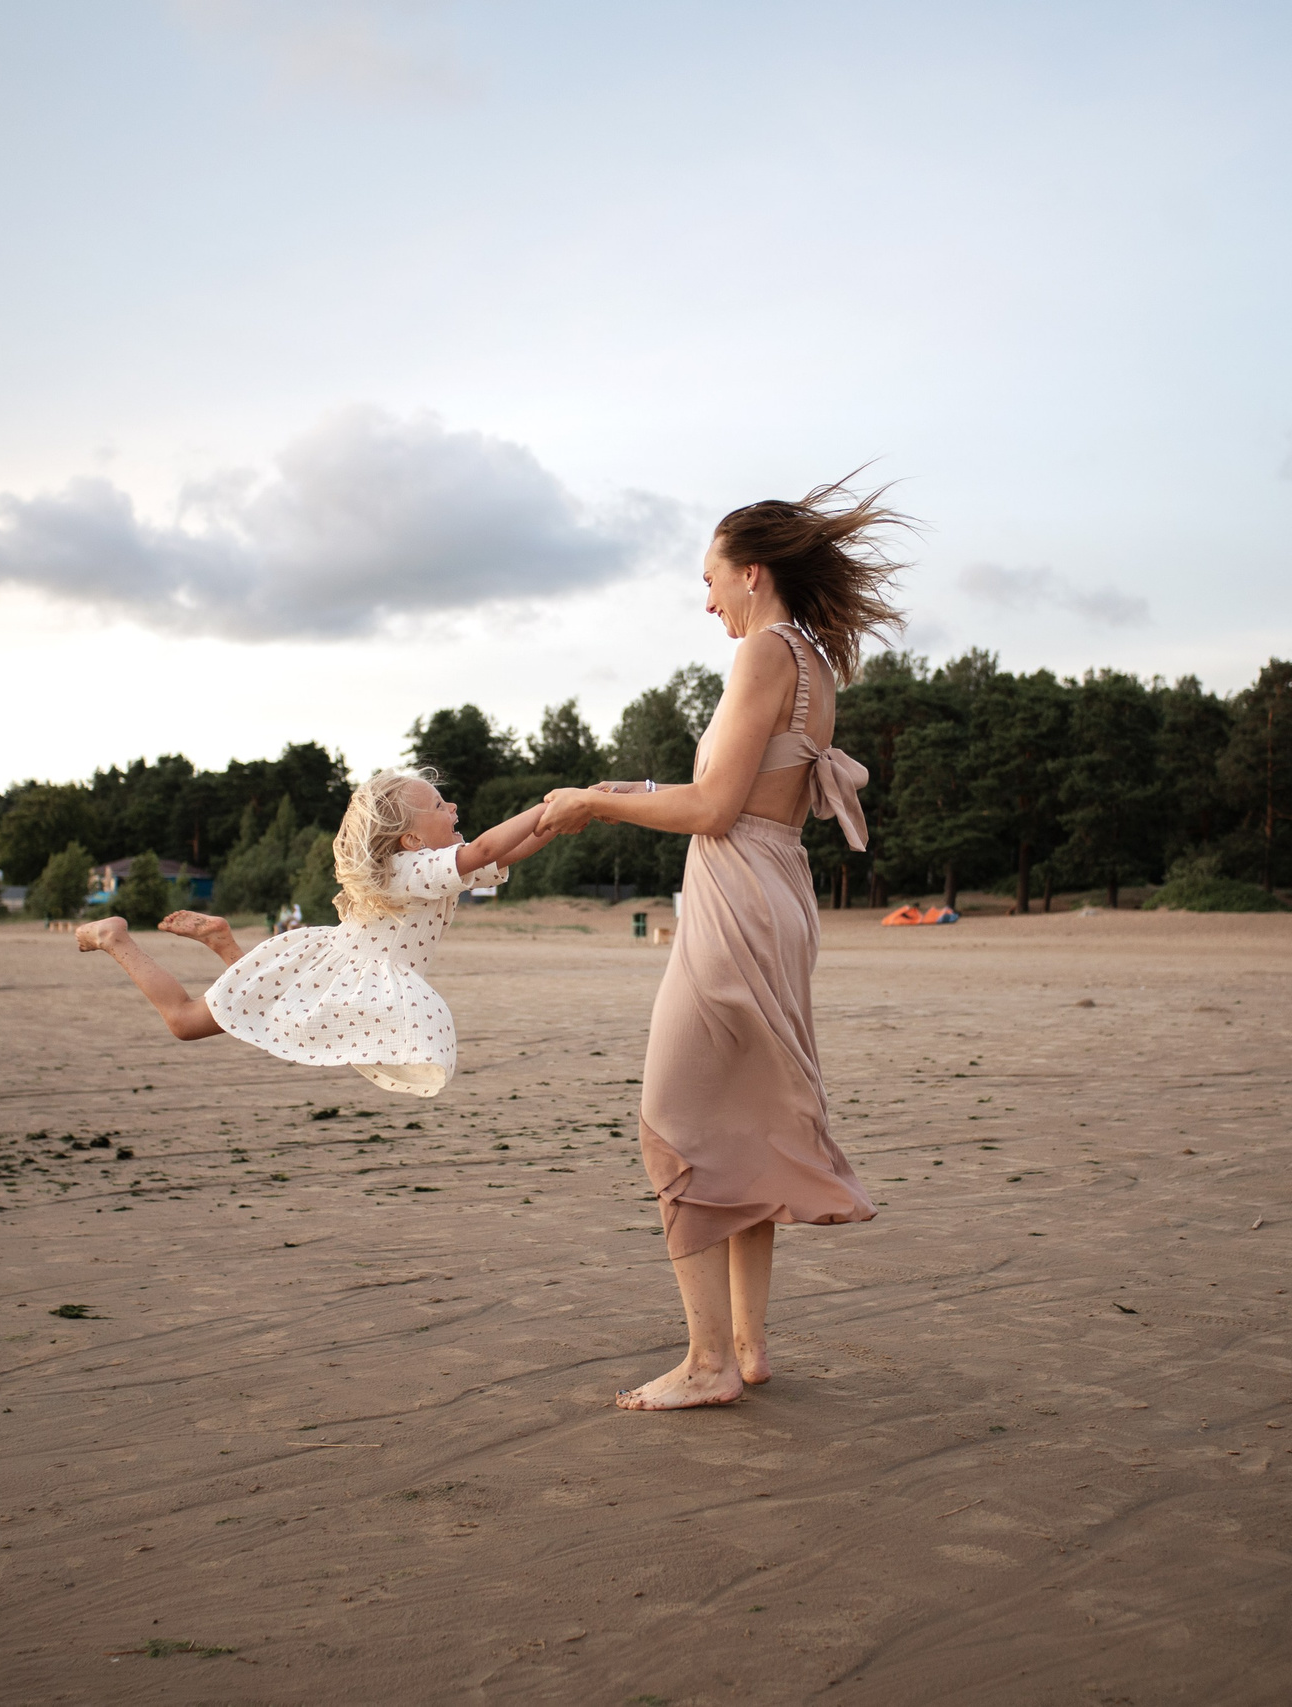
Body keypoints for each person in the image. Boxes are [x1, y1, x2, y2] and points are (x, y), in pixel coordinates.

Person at [540, 477, 905, 1410]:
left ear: (751, 573)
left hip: (737, 898)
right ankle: (745, 1347)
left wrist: (591, 800)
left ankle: (705, 1363)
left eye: (709, 579)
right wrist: (637, 787)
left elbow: (712, 810)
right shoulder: (813, 661)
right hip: (779, 889)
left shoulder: (760, 654)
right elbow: (741, 789)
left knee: (674, 1123)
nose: (704, 600)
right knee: (739, 1122)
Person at [77, 769, 561, 1097]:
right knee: (184, 1022)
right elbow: (484, 849)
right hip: (350, 970)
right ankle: (115, 936)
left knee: (286, 1020)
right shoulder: (413, 868)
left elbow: (504, 854)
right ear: (411, 839)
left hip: (336, 967)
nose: (453, 806)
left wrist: (571, 815)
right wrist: (553, 807)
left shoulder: (432, 866)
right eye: (439, 805)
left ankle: (226, 945)